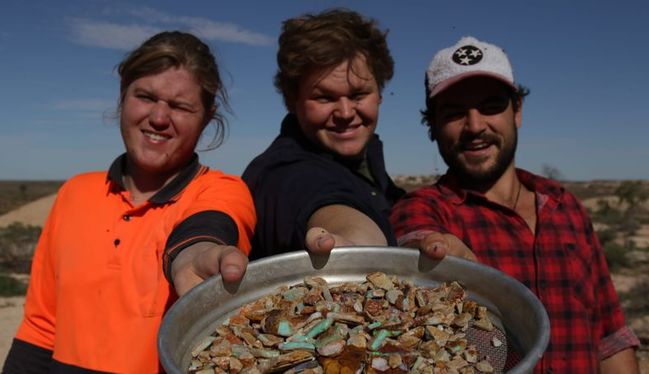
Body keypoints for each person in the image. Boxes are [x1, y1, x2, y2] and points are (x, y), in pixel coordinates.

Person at [2, 31, 256, 373]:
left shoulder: (222, 189)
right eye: (146, 96)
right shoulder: (75, 193)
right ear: (123, 97)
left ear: (207, 117)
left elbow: (206, 230)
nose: (159, 118)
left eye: (180, 106)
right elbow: (41, 324)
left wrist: (192, 256)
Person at [390, 36, 640, 372]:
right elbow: (416, 239)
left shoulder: (565, 207)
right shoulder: (423, 207)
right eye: (454, 112)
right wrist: (435, 258)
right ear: (432, 126)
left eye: (491, 106)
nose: (475, 126)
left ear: (517, 111)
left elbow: (610, 338)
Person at [242, 8, 405, 259]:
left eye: (358, 95)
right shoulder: (279, 172)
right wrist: (353, 244)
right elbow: (320, 199)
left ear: (380, 94)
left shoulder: (367, 158)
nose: (345, 112)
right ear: (291, 101)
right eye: (324, 97)